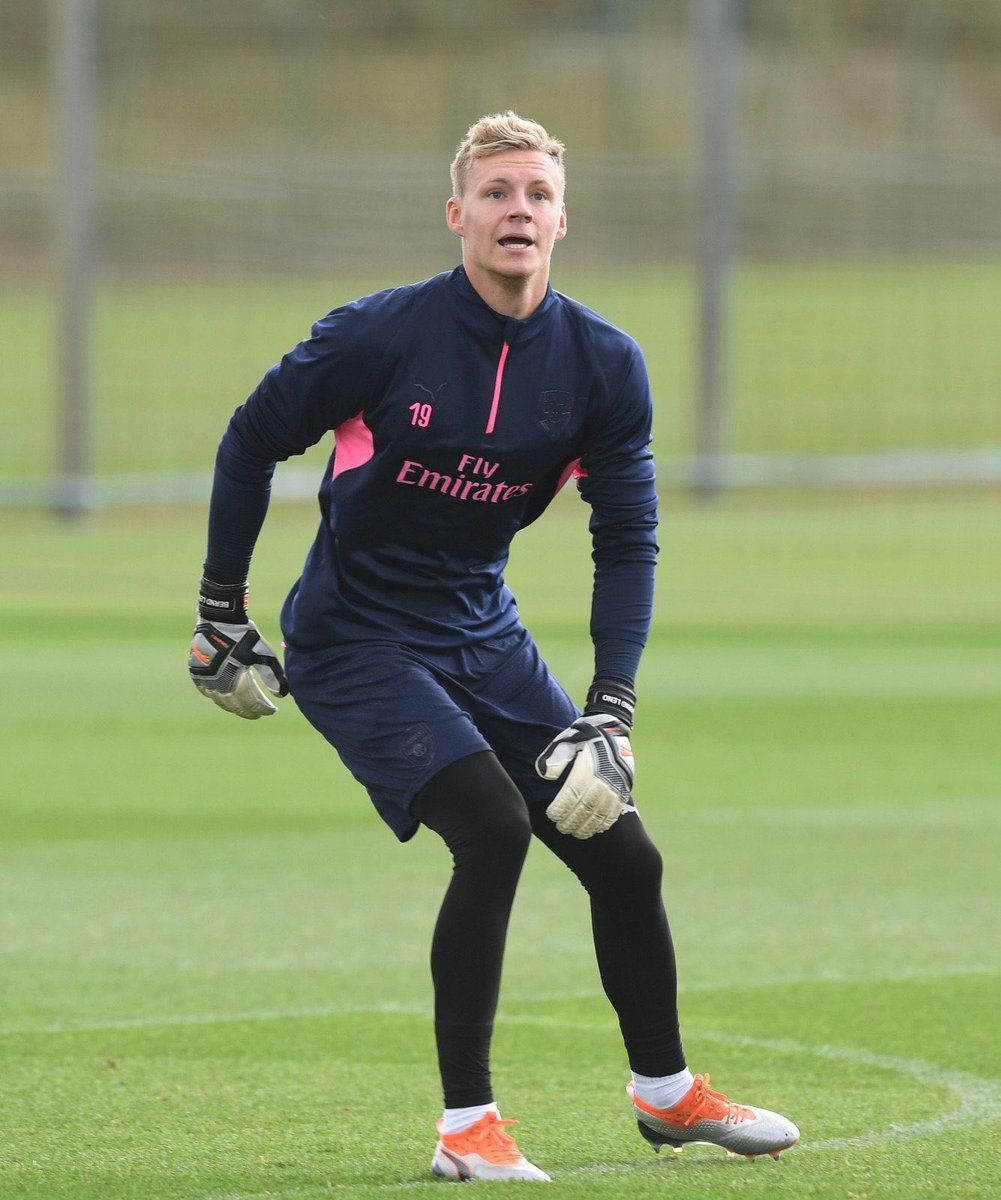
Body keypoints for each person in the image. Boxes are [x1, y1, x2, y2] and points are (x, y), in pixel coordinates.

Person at [188, 112, 799, 1182]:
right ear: (457, 214)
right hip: (351, 637)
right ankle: (465, 1126)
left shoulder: (603, 364)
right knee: (493, 826)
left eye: (536, 194)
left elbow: (629, 538)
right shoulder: (377, 335)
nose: (518, 209)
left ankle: (665, 1099)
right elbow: (249, 440)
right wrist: (218, 610)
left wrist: (611, 708)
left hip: (483, 632)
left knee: (622, 852)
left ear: (562, 219)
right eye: (497, 192)